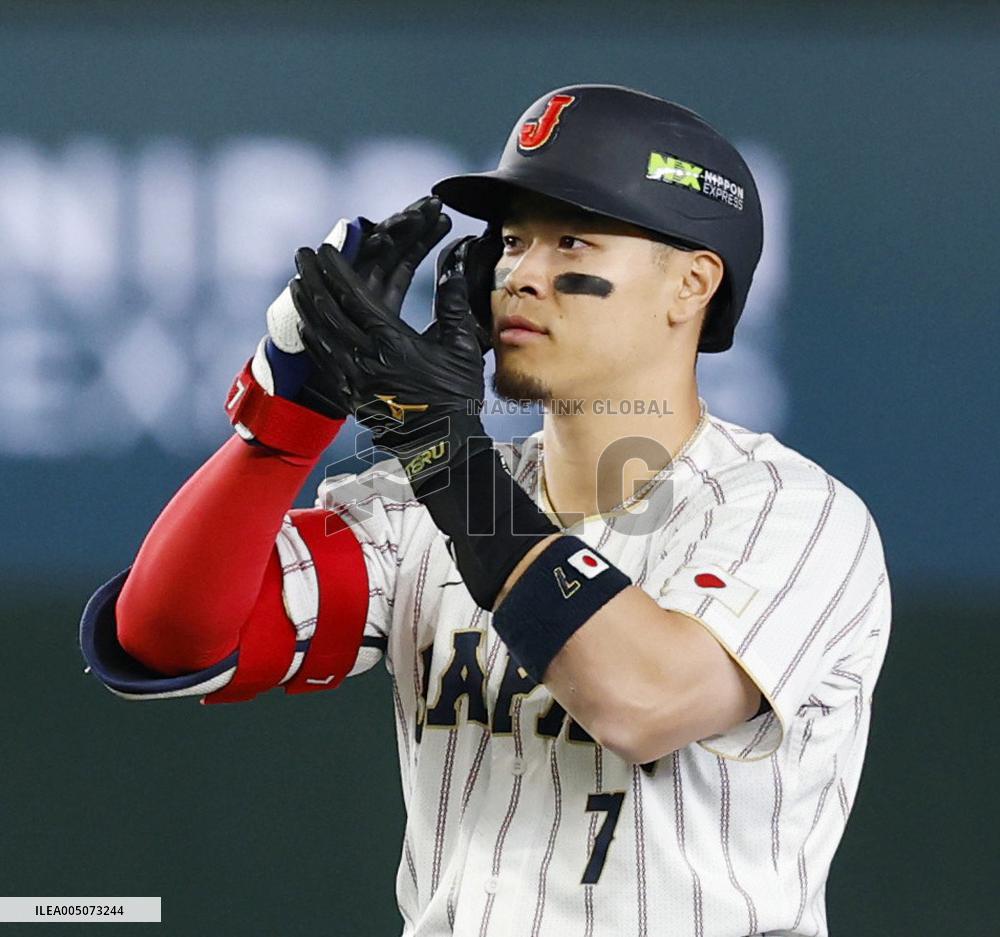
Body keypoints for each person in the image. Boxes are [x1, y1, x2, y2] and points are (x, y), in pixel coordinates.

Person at [80, 84, 891, 936]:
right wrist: (284, 425)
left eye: (572, 239)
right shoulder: (420, 502)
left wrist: (444, 453)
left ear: (691, 283)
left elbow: (641, 699)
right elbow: (165, 637)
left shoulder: (792, 513)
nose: (521, 274)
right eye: (512, 240)